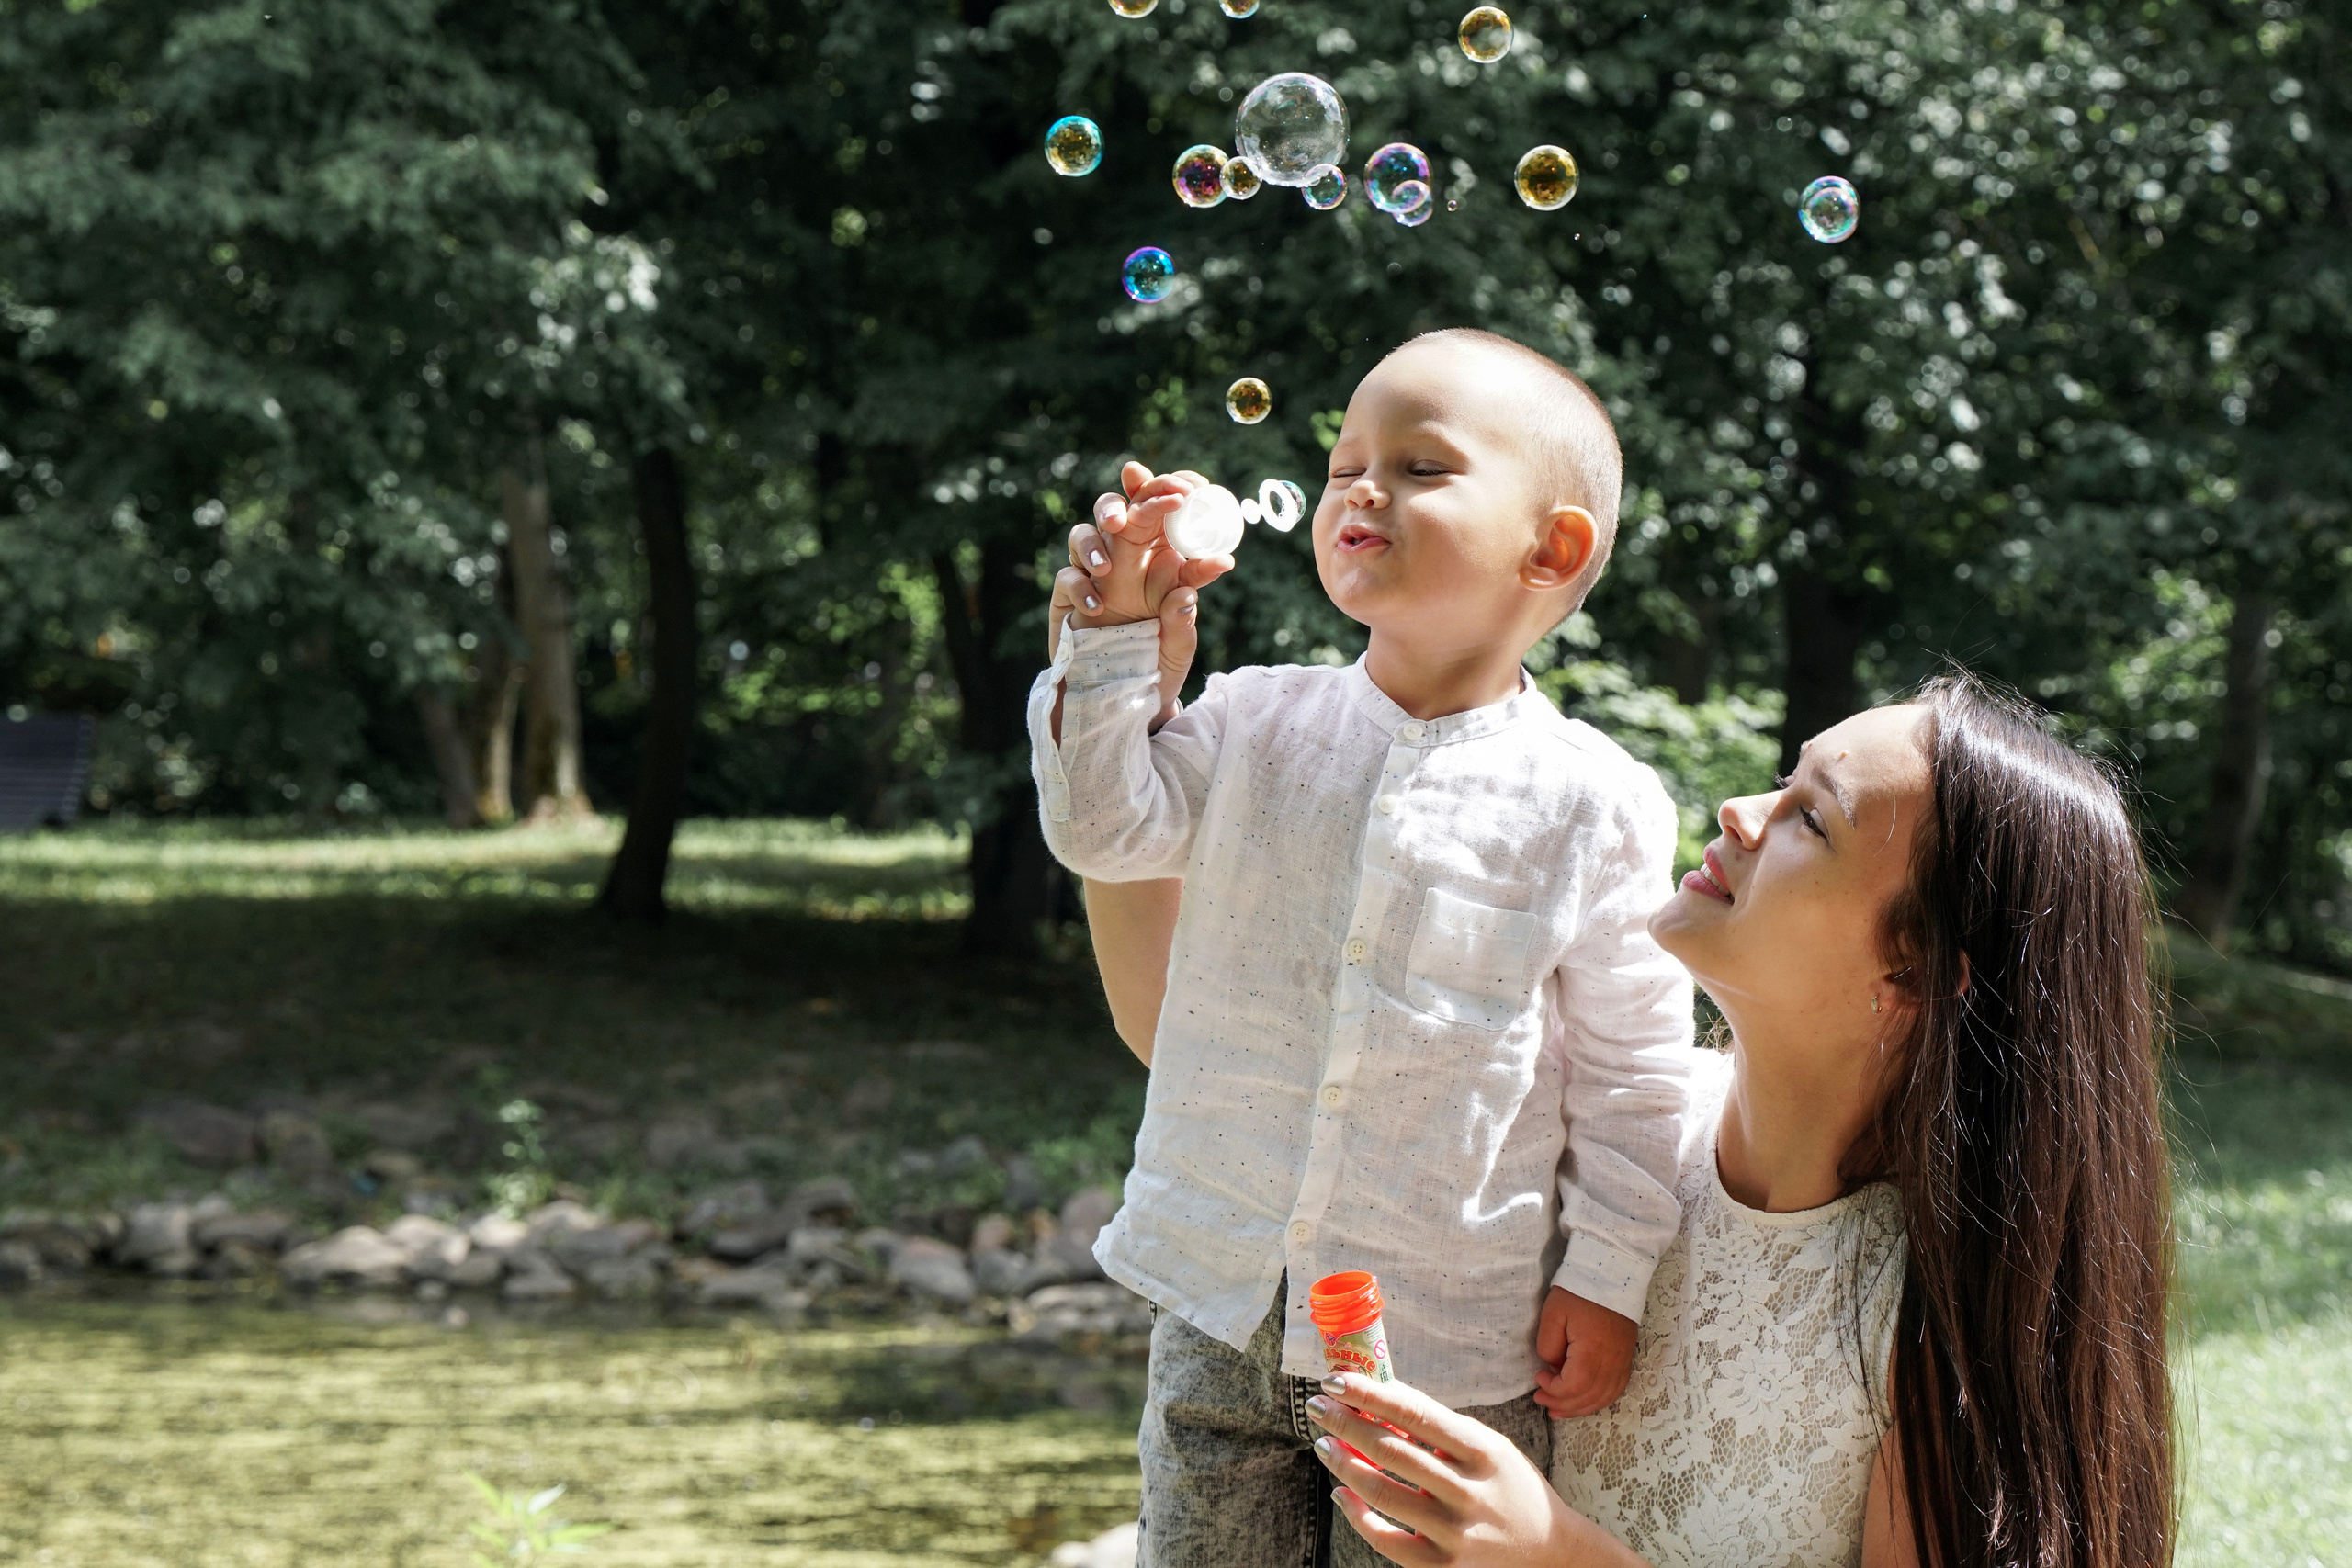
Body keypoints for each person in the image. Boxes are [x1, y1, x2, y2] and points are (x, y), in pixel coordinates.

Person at [1100, 676, 2177, 1568]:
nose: (1741, 813)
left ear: (1916, 971)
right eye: (1783, 778)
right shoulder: (1603, 1139)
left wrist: (1555, 1555)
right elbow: (1192, 1035)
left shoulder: (1927, 1311)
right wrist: (1123, 712)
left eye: (1811, 817)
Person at [1030, 329, 1700, 1565]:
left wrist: (1607, 1271)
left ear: (1551, 549)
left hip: (1445, 1339)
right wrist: (1114, 643)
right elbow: (1103, 827)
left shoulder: (1596, 802)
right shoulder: (1249, 719)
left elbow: (1633, 1070)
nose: (1360, 488)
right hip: (1219, 1299)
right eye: (1345, 463)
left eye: (1419, 465)